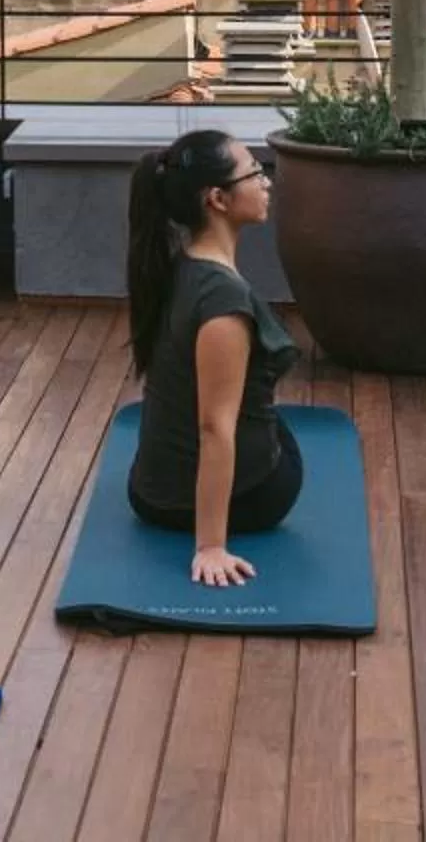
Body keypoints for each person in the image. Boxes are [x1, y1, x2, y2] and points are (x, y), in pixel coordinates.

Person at [123, 131, 299, 586]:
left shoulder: (180, 266)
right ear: (218, 199)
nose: (266, 182)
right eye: (254, 172)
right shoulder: (223, 299)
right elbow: (214, 428)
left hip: (149, 490)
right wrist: (211, 546)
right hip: (242, 497)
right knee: (276, 440)